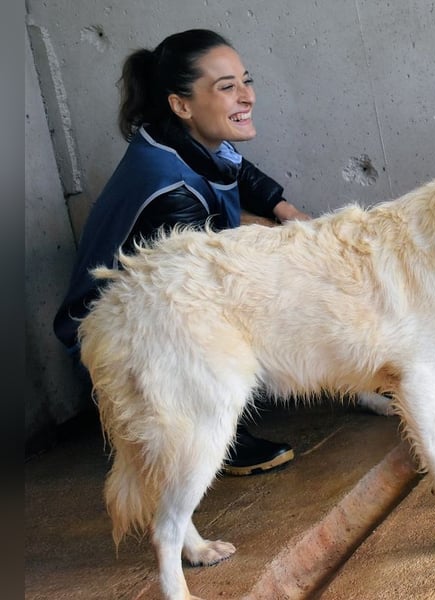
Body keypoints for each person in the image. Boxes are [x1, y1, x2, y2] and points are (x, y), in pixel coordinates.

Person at [53, 29, 311, 475]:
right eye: (227, 88)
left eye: (246, 81)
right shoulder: (166, 185)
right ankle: (214, 434)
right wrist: (279, 233)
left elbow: (238, 169)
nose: (246, 96)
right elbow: (210, 277)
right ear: (182, 105)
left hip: (156, 307)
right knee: (233, 303)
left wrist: (287, 211)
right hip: (112, 343)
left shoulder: (188, 137)